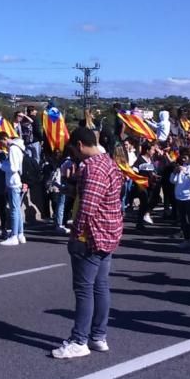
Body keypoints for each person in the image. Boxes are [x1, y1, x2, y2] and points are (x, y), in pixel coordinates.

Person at [52, 126, 124, 359]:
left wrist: (75, 235)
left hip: (91, 236)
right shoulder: (109, 163)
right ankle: (98, 336)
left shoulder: (92, 168)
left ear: (81, 145)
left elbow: (88, 207)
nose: (75, 154)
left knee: (84, 289)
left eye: (74, 150)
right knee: (100, 286)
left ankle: (79, 339)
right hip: (109, 232)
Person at [0, 130, 27, 247]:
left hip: (14, 183)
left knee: (14, 210)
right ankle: (20, 234)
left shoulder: (13, 149)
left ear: (5, 139)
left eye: (2, 143)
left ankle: (14, 235)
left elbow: (13, 167)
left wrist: (1, 165)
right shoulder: (17, 148)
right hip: (15, 182)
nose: (2, 146)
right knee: (17, 210)